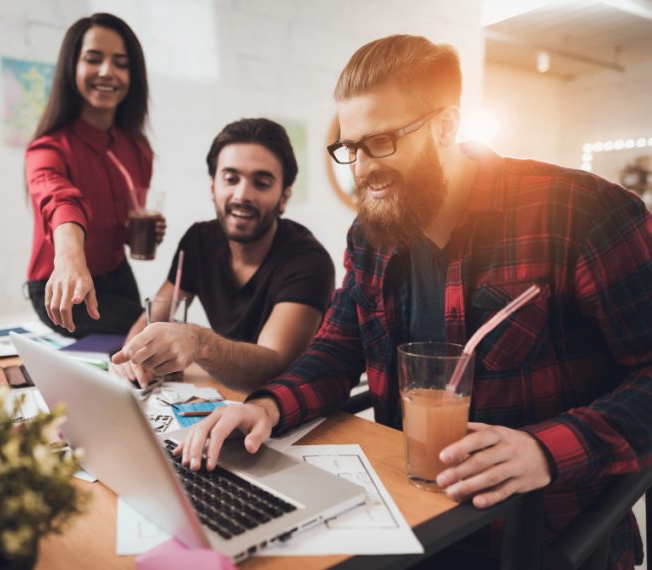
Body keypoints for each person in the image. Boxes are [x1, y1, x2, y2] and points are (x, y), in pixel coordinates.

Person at [177, 35, 652, 569]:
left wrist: (544, 449)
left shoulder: (582, 212)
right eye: (349, 148)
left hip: (542, 533)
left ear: (446, 126)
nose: (360, 168)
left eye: (380, 142)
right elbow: (335, 349)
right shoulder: (369, 235)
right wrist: (265, 407)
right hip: (413, 521)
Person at [110, 118, 335, 391]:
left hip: (289, 411)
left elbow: (274, 365)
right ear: (212, 187)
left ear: (284, 197)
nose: (242, 194)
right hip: (226, 397)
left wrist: (199, 342)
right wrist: (131, 358)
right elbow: (153, 316)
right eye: (231, 179)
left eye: (261, 183)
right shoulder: (198, 241)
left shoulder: (309, 262)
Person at [25, 13, 165, 338]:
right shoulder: (47, 149)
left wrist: (136, 232)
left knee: (155, 337)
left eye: (121, 62)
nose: (107, 72)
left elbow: (120, 228)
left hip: (116, 274)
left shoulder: (138, 149)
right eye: (93, 59)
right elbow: (59, 201)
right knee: (154, 335)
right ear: (72, 66)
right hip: (62, 284)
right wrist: (71, 258)